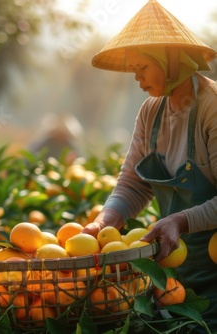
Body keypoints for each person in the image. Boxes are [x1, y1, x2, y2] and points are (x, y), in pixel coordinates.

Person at [82, 1, 217, 331]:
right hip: (169, 273)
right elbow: (133, 182)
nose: (137, 76)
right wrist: (104, 221)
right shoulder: (150, 112)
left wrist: (181, 221)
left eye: (143, 66)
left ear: (171, 62)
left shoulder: (211, 108)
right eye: (133, 69)